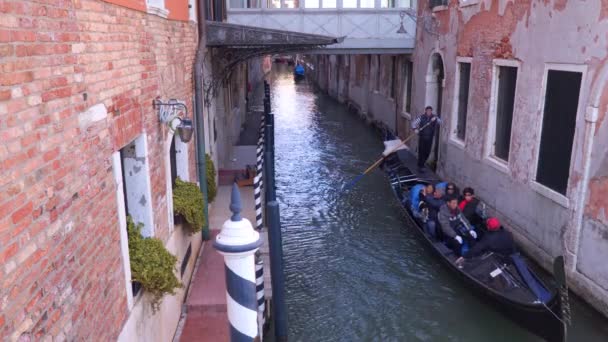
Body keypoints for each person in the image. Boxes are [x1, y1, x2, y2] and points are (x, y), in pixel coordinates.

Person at [411, 106, 441, 171]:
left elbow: (440, 122)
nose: (429, 112)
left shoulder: (434, 117)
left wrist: (436, 118)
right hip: (422, 137)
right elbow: (413, 124)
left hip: (430, 138)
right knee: (421, 151)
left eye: (430, 111)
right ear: (426, 111)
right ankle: (420, 166)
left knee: (427, 152)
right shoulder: (421, 117)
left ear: (431, 111)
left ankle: (422, 163)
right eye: (428, 111)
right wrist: (415, 129)